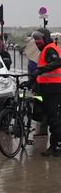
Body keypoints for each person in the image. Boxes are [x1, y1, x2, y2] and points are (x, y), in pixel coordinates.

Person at [30, 28, 61, 157]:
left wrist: (41, 70)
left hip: (53, 90)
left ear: (46, 38)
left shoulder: (49, 49)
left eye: (39, 39)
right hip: (47, 89)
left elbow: (57, 62)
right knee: (50, 118)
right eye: (35, 39)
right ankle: (55, 145)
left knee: (54, 119)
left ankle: (56, 147)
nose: (37, 42)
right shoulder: (46, 49)